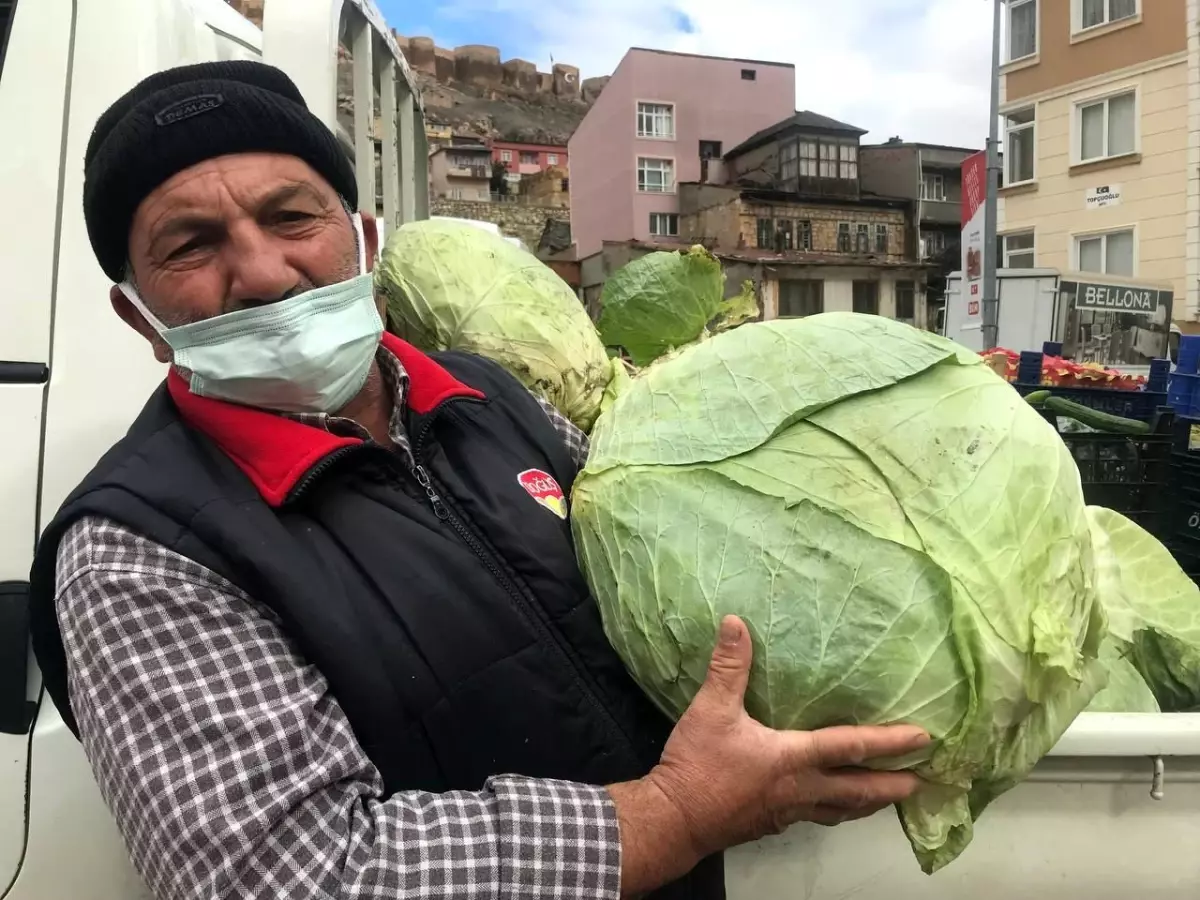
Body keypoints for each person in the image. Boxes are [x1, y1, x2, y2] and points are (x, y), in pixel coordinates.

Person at [27, 61, 929, 900]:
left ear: (362, 235)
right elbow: (288, 874)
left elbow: (674, 570)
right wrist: (674, 816)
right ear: (137, 313)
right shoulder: (135, 554)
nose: (263, 271)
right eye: (191, 244)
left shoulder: (495, 400)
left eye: (293, 216)